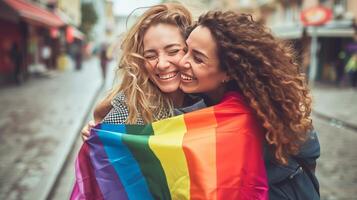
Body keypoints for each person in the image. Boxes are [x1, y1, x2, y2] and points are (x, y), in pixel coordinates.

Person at [178, 11, 319, 199]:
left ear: (227, 73)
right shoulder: (262, 104)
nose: (181, 61)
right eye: (185, 50)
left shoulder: (243, 123)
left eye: (198, 58)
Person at [81, 2, 195, 140]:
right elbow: (102, 158)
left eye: (173, 51)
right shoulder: (129, 109)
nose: (162, 64)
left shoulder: (211, 99)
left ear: (191, 50)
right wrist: (95, 144)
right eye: (150, 56)